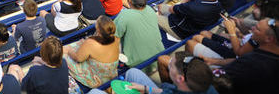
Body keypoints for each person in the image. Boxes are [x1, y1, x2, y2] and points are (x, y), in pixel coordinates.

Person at [87, 51, 217, 94]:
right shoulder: (204, 83)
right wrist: (146, 88)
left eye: (170, 66)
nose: (168, 64)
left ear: (180, 79)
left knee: (93, 92)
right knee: (133, 73)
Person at [220, 18, 279, 93]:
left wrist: (231, 31)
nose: (252, 29)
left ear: (269, 39)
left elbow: (219, 79)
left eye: (257, 29)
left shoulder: (252, 62)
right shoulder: (276, 55)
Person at [64, 16, 119, 88]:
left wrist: (68, 51)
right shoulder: (116, 39)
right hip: (110, 73)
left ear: (98, 30)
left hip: (98, 77)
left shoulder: (91, 43)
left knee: (63, 52)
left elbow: (78, 58)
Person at [157, 0, 223, 40]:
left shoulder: (193, 7)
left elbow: (172, 9)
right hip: (193, 28)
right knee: (161, 6)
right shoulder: (218, 5)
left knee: (151, 17)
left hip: (177, 29)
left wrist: (185, 1)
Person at [114, 0, 164, 67]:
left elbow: (114, 38)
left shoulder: (125, 15)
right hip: (160, 55)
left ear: (129, 0)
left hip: (137, 63)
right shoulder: (149, 9)